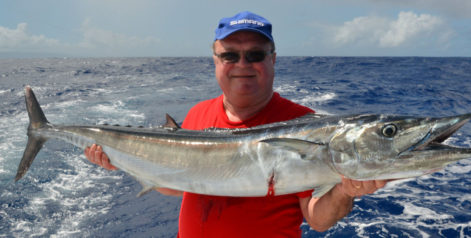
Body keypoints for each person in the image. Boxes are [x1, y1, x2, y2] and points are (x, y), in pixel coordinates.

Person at [85, 11, 389, 237]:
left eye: (255, 54)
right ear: (216, 61)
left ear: (273, 59)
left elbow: (318, 220)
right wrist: (123, 161)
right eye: (230, 55)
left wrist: (344, 192)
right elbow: (176, 185)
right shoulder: (198, 113)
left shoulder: (304, 125)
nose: (243, 65)